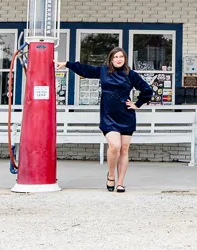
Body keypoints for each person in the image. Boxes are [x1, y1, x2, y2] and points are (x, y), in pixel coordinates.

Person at [60, 47, 153, 192]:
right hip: (108, 116)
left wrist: (137, 104)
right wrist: (67, 64)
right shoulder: (103, 71)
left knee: (124, 149)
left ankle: (120, 182)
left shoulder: (131, 74)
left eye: (121, 56)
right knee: (115, 146)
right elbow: (85, 69)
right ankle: (111, 175)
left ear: (125, 59)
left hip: (126, 115)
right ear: (111, 59)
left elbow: (147, 89)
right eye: (115, 57)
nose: (118, 59)